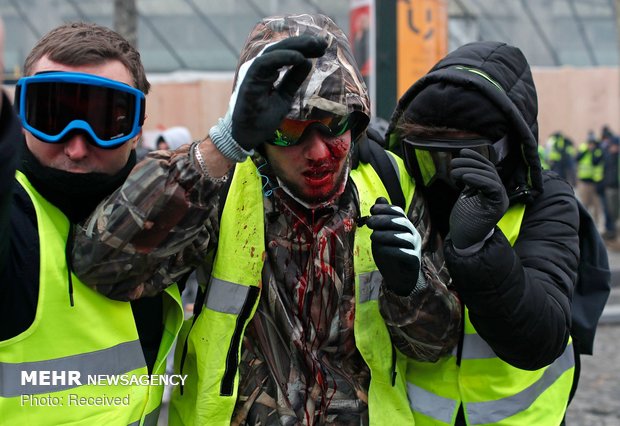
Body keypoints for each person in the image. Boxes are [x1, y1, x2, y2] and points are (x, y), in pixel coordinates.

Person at [72, 14, 462, 425]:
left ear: (357, 120)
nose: (317, 152)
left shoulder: (389, 185)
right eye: (287, 130)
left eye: (332, 125)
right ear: (257, 130)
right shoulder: (215, 184)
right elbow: (103, 267)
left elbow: (433, 348)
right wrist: (221, 147)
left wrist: (412, 289)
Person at [384, 40, 580, 425]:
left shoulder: (546, 201)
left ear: (506, 151)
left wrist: (479, 248)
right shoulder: (405, 183)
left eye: (461, 160)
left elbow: (539, 339)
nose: (442, 179)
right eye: (428, 158)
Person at [0, 22, 184, 424]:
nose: (77, 145)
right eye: (52, 116)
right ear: (21, 115)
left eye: (105, 122)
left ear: (137, 130)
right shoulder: (11, 219)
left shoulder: (166, 215)